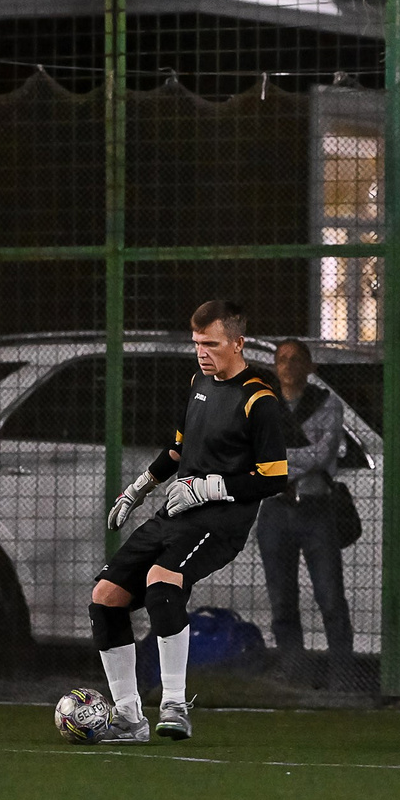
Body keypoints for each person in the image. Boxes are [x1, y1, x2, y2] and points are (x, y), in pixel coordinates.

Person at [94, 300, 289, 742]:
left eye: (211, 344)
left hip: (221, 522)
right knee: (105, 597)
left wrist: (208, 488)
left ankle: (175, 706)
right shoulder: (199, 382)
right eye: (197, 343)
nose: (202, 352)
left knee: (162, 584)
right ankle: (129, 718)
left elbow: (274, 477)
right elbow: (179, 448)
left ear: (237, 343)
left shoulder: (258, 399)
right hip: (176, 514)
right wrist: (139, 487)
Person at [255, 338, 355, 689]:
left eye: (297, 359)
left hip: (316, 509)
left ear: (310, 366)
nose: (289, 365)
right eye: (282, 359)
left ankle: (342, 675)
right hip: (275, 509)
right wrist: (298, 458)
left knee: (330, 597)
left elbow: (323, 454)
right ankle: (294, 670)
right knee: (282, 599)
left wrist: (279, 460)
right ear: (274, 367)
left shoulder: (327, 404)